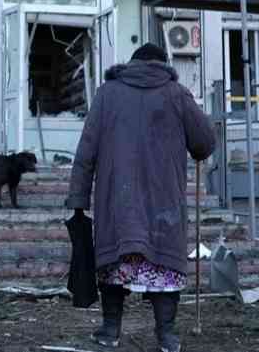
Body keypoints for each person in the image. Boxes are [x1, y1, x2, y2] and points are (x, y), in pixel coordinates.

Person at [65, 43, 216, 351]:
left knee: (114, 261)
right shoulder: (177, 94)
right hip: (164, 205)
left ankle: (110, 331)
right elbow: (205, 144)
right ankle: (167, 336)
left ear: (131, 64)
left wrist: (78, 200)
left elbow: (86, 152)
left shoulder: (107, 94)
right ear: (162, 65)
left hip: (117, 203)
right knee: (164, 264)